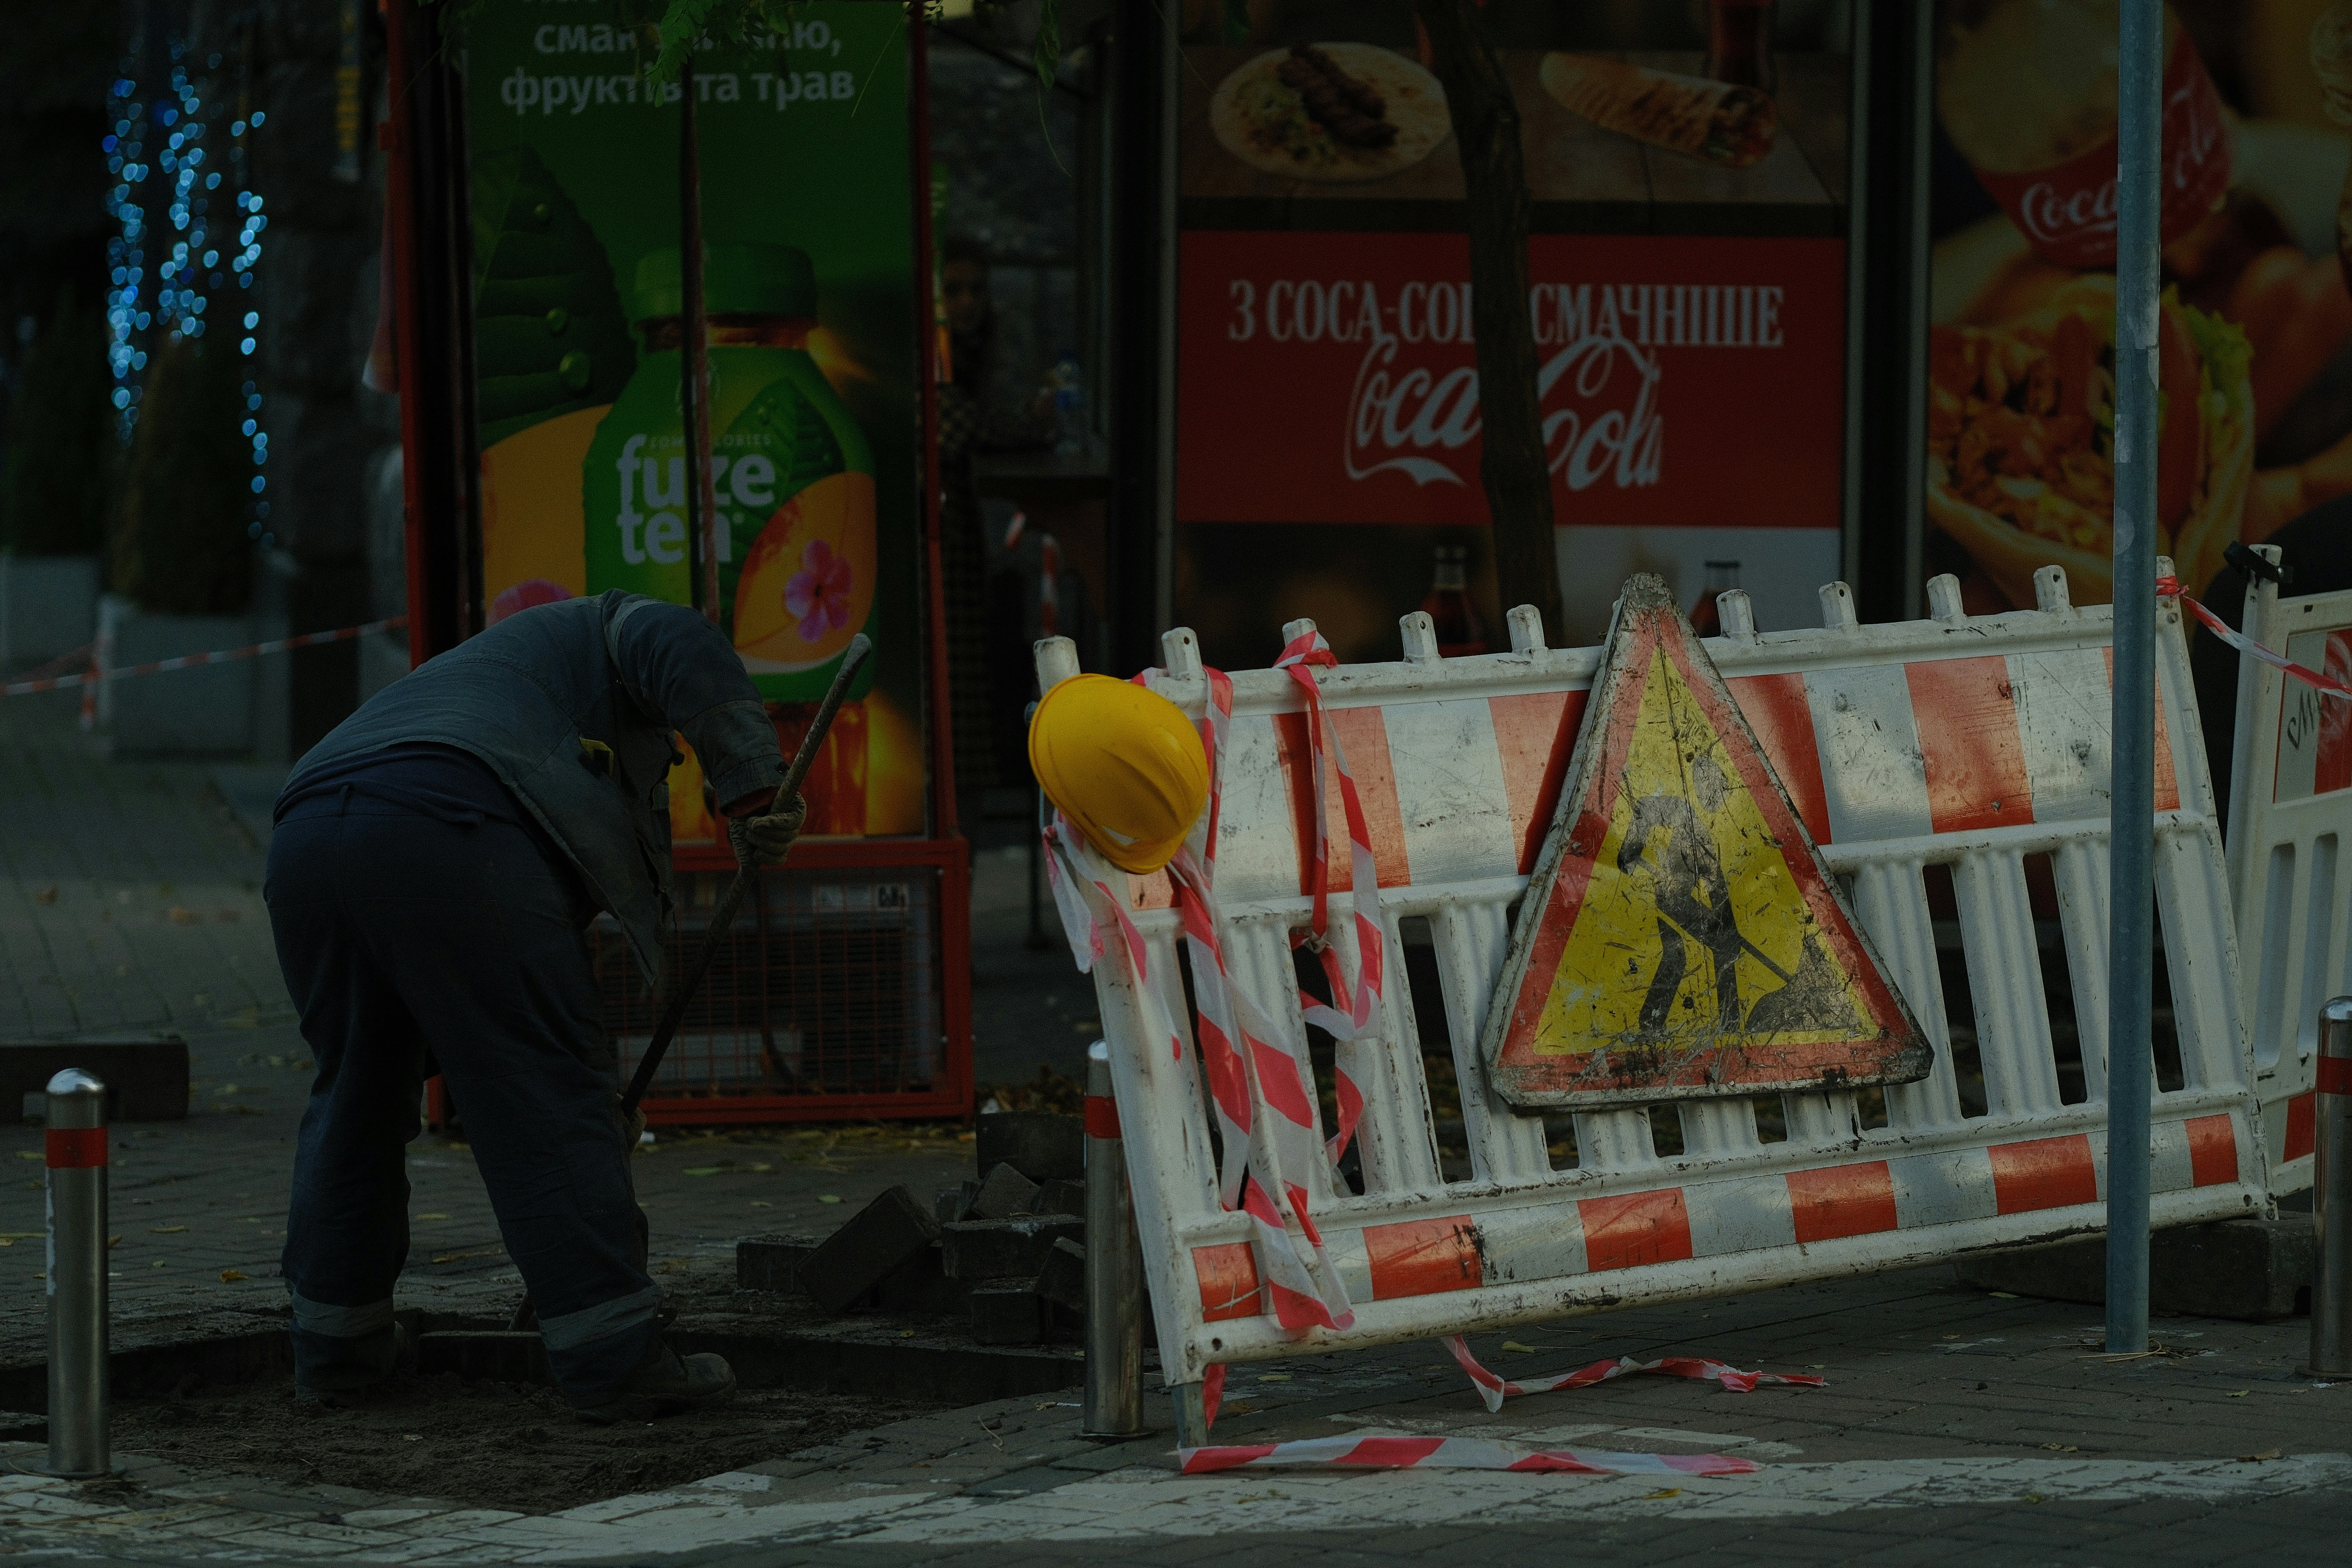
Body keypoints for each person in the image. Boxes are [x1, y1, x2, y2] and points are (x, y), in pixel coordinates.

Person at [263, 591, 805, 1421]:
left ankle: (337, 1351)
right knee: (544, 1093)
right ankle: (613, 1356)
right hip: (443, 818)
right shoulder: (615, 626)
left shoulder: (506, 684)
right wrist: (753, 787)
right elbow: (680, 637)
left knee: (358, 1097)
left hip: (305, 836)